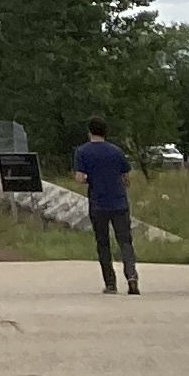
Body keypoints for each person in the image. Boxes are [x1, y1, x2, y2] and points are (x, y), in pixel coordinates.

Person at [73, 120, 139, 293]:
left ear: (89, 132)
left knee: (103, 243)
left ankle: (110, 283)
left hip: (98, 203)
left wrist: (91, 179)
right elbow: (126, 178)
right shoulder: (116, 151)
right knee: (125, 241)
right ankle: (131, 276)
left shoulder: (82, 152)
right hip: (119, 201)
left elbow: (80, 177)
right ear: (105, 132)